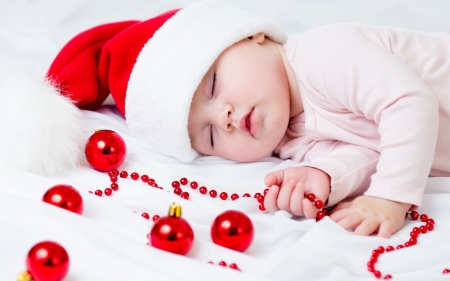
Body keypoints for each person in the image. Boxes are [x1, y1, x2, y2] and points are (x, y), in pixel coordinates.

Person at [6, 0, 449, 238]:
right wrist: (324, 177)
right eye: (210, 135)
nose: (227, 117)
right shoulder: (288, 138)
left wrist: (391, 197)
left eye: (214, 85)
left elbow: (409, 105)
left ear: (253, 36)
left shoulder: (321, 54)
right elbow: (368, 152)